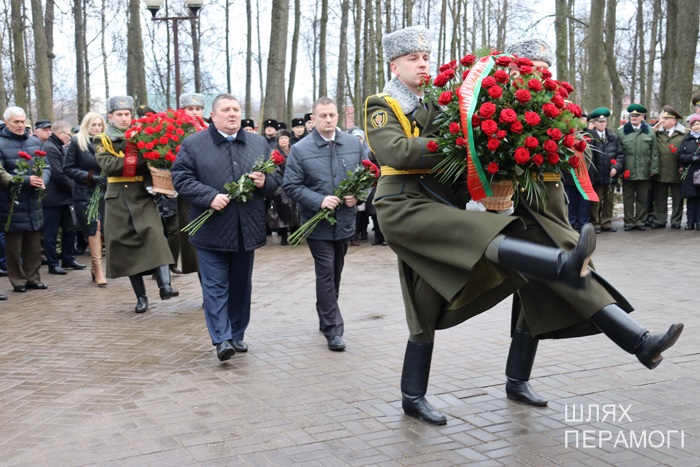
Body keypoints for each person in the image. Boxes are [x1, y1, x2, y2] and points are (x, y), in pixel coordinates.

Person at [365, 27, 683, 425]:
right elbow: (400, 150)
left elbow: (466, 164)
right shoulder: (385, 103)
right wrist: (470, 146)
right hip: (412, 208)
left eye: (426, 57)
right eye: (413, 58)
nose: (423, 64)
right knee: (430, 301)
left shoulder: (450, 106)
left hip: (445, 207)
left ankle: (615, 347)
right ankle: (415, 396)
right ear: (395, 65)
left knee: (526, 294)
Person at [501, 38, 683, 409]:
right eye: (532, 64)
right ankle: (640, 343)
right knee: (576, 277)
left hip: (554, 203)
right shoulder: (502, 102)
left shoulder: (552, 103)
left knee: (533, 298)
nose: (540, 71)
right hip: (528, 206)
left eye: (544, 64)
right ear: (516, 67)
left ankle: (517, 380)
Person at [172, 93, 281, 361]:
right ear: (213, 115)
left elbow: (278, 178)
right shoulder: (194, 144)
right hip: (211, 229)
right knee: (215, 286)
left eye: (235, 109)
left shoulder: (257, 144)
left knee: (241, 285)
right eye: (225, 110)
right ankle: (221, 338)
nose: (232, 114)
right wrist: (209, 196)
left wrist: (263, 182)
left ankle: (237, 333)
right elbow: (181, 178)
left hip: (247, 229)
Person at [283, 97, 366, 352]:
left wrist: (359, 195)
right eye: (323, 116)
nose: (328, 120)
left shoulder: (353, 144)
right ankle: (333, 330)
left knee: (336, 271)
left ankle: (326, 315)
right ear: (313, 119)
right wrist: (319, 200)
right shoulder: (301, 149)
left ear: (337, 117)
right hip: (316, 224)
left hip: (344, 222)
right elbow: (290, 185)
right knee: (326, 272)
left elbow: (369, 175)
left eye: (332, 115)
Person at [95, 96, 178, 313]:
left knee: (155, 236)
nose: (124, 118)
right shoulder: (102, 139)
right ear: (110, 117)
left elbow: (150, 162)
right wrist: (144, 157)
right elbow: (111, 166)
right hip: (117, 199)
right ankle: (141, 297)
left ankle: (165, 286)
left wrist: (154, 156)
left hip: (143, 195)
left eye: (127, 114)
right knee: (128, 247)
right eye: (119, 114)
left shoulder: (143, 136)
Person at [0, 106, 51, 293]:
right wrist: (24, 181)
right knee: (13, 245)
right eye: (16, 122)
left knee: (34, 242)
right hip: (11, 201)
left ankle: (33, 278)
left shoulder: (35, 142)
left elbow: (46, 166)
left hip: (33, 200)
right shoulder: (0, 143)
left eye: (23, 121)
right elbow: (1, 174)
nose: (21, 125)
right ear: (7, 123)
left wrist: (42, 180)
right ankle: (18, 280)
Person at [64, 111, 108, 286]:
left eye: (99, 125)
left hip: (105, 191)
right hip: (85, 192)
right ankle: (98, 269)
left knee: (102, 229)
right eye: (93, 125)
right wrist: (91, 177)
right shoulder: (77, 142)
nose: (96, 128)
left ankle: (94, 267)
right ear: (86, 126)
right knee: (93, 228)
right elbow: (68, 168)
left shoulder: (107, 141)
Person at [42, 120, 86, 275]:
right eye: (68, 134)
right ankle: (53, 264)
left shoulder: (58, 147)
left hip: (64, 197)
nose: (70, 137)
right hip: (53, 198)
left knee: (70, 229)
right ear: (59, 133)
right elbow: (58, 173)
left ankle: (68, 258)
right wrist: (74, 191)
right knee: (51, 233)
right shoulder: (49, 147)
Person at [617, 103, 659, 231]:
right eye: (632, 115)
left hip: (644, 170)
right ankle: (629, 222)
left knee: (642, 198)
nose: (634, 117)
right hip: (627, 170)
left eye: (637, 115)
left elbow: (654, 152)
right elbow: (618, 153)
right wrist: (619, 169)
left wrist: (654, 169)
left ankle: (640, 221)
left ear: (643, 117)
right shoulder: (621, 132)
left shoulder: (650, 132)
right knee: (628, 198)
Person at [585, 107, 624, 233]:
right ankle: (595, 223)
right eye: (599, 121)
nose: (602, 124)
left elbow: (620, 155)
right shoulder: (590, 137)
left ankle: (606, 223)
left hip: (610, 174)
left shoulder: (613, 137)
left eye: (604, 121)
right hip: (596, 175)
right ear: (594, 123)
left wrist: (617, 167)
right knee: (596, 201)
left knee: (609, 201)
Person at [650, 106, 686, 229]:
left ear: (674, 121)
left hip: (677, 171)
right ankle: (660, 220)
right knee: (659, 197)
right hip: (661, 170)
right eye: (662, 118)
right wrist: (652, 131)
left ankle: (676, 221)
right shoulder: (657, 133)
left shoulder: (683, 134)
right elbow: (648, 144)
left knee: (677, 198)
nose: (663, 120)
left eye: (666, 118)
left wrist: (684, 166)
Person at [266, 129, 299, 245]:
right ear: (277, 140)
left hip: (295, 183)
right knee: (282, 211)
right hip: (281, 185)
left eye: (286, 137)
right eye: (281, 138)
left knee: (295, 211)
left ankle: (296, 235)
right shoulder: (275, 153)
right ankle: (284, 236)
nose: (284, 140)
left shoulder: (294, 150)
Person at [678, 114, 700, 230]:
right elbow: (680, 155)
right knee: (691, 198)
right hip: (690, 173)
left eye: (698, 124)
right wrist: (692, 158)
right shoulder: (686, 140)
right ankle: (690, 222)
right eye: (694, 124)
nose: (696, 126)